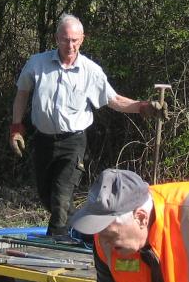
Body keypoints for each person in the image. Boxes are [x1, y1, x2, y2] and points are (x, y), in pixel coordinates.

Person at [10, 14, 163, 241]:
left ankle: (56, 241)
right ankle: (91, 234)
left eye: (74, 40)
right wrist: (16, 127)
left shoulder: (91, 71)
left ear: (82, 39)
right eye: (64, 40)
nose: (69, 45)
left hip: (73, 143)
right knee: (47, 196)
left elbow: (114, 100)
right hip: (43, 140)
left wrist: (144, 107)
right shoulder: (37, 63)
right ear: (56, 39)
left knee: (61, 194)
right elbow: (21, 93)